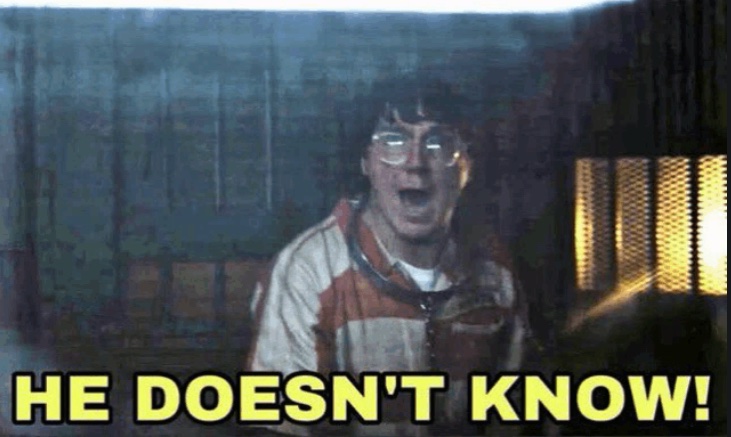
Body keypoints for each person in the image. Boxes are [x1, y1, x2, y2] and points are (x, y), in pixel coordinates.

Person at [245, 76, 530, 436]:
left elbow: (519, 415)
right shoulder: (306, 272)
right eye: (394, 140)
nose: (415, 162)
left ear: (466, 166)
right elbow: (278, 426)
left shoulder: (495, 274)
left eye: (438, 143)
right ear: (366, 160)